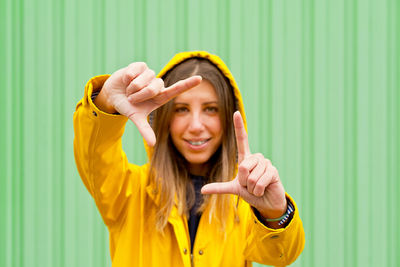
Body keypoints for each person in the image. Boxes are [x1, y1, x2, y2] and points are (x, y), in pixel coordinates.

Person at [73, 51, 305, 267]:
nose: (195, 126)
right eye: (182, 109)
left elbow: (280, 255)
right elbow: (94, 154)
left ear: (227, 117)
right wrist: (105, 102)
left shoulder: (245, 201)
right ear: (164, 118)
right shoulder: (129, 193)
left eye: (210, 109)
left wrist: (275, 213)